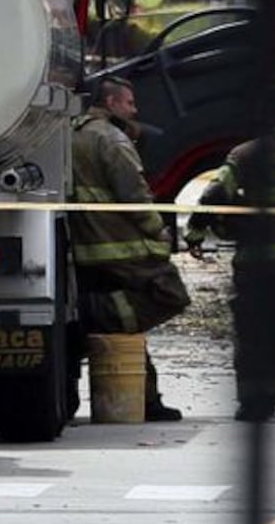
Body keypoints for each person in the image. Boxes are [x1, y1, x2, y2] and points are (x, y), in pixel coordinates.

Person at [183, 83, 275, 421]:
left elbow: (213, 194)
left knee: (255, 327)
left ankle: (257, 397)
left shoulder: (247, 153)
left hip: (259, 261)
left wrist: (194, 231)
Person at [69, 75, 190, 422]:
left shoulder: (70, 134)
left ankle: (146, 399)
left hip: (84, 250)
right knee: (168, 293)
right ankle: (92, 323)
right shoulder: (110, 139)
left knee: (128, 327)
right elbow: (134, 195)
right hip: (118, 250)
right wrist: (159, 231)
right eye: (129, 103)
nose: (135, 110)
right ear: (111, 103)